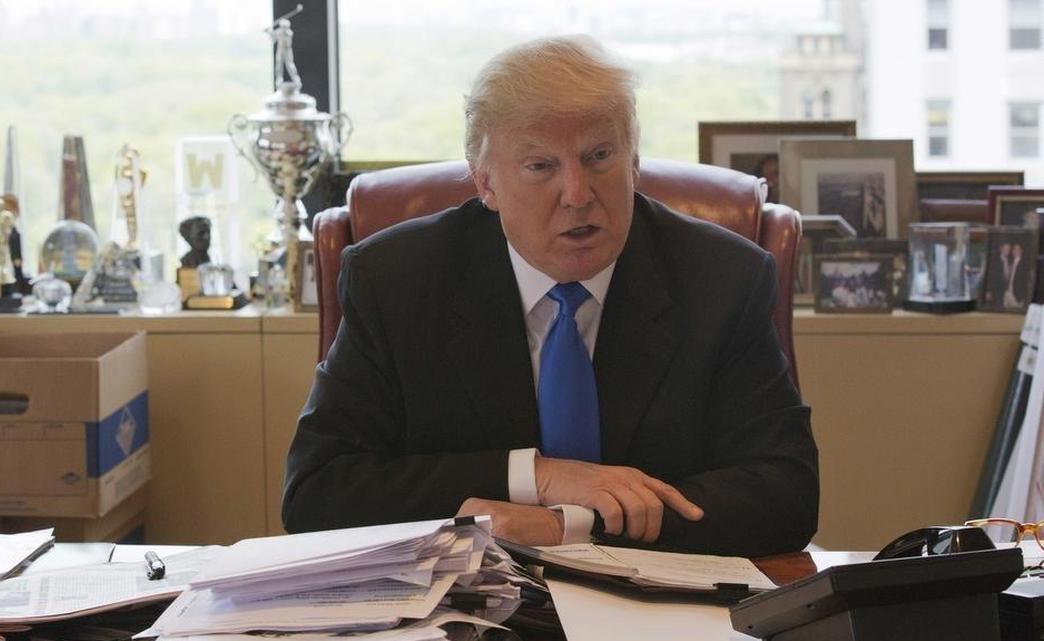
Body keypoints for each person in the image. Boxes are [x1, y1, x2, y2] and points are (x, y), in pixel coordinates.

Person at [283, 36, 818, 557]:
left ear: (634, 161)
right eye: (541, 166)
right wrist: (537, 477)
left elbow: (786, 491)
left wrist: (572, 524)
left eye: (600, 156)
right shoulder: (399, 279)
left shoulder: (721, 278)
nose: (578, 195)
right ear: (486, 183)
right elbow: (317, 491)